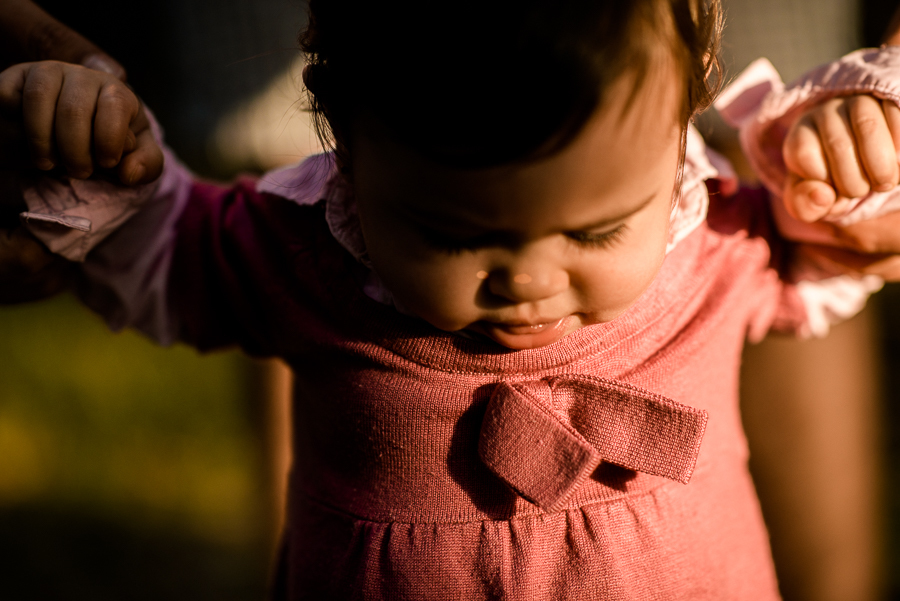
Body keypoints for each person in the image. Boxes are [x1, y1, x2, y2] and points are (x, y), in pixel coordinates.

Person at [2, 0, 900, 597]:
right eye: (454, 236)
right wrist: (86, 144)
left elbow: (838, 243)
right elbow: (155, 249)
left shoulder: (719, 240)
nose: (528, 280)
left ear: (682, 126)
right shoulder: (303, 255)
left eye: (594, 233)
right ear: (345, 140)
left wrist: (861, 153)